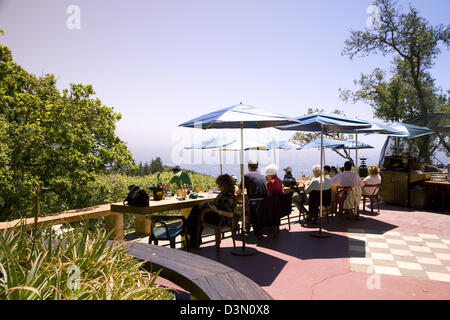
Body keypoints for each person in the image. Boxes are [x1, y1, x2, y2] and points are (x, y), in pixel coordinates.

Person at [186, 174, 236, 248]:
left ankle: (188, 232)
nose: (219, 188)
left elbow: (231, 214)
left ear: (224, 185)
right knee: (197, 210)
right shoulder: (223, 193)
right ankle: (193, 237)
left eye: (220, 186)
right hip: (217, 215)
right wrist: (208, 203)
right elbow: (216, 202)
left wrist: (216, 210)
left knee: (197, 215)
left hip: (222, 219)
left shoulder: (229, 197)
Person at [237, 159, 268, 237]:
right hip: (265, 203)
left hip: (255, 204)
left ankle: (240, 231)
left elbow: (239, 191)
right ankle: (250, 231)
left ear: (248, 167)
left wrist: (234, 188)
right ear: (257, 167)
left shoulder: (246, 176)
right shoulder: (263, 176)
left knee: (240, 211)